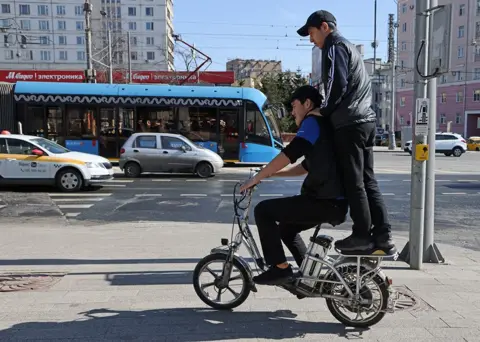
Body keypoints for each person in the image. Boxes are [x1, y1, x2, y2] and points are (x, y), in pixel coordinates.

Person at [296, 10, 395, 252]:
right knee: (368, 180)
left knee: (354, 182)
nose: (311, 39)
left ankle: (361, 235)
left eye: (311, 33)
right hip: (365, 121)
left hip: (350, 123)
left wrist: (325, 110)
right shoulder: (349, 48)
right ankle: (383, 235)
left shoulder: (334, 46)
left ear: (324, 27)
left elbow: (336, 83)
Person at [239, 85, 348, 285]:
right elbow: (303, 167)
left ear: (307, 104)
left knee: (264, 211)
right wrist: (267, 175)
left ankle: (280, 268)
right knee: (286, 230)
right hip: (331, 202)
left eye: (293, 105)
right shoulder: (322, 128)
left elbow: (290, 154)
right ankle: (309, 279)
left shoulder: (312, 122)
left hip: (324, 201)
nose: (292, 111)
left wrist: (256, 178)